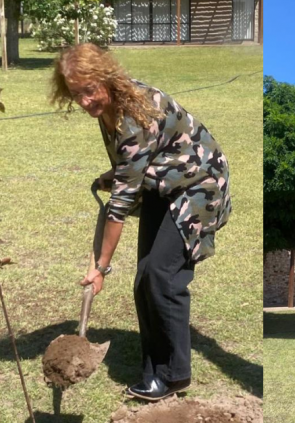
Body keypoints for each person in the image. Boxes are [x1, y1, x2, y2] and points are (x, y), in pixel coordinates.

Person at [51, 44, 231, 402]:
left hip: (198, 186)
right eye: (76, 94)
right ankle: (153, 368)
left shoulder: (134, 113)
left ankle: (174, 374)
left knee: (162, 276)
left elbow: (119, 206)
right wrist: (118, 174)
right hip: (164, 186)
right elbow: (138, 160)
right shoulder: (108, 110)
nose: (85, 101)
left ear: (105, 78)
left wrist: (100, 267)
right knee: (144, 280)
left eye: (89, 90)